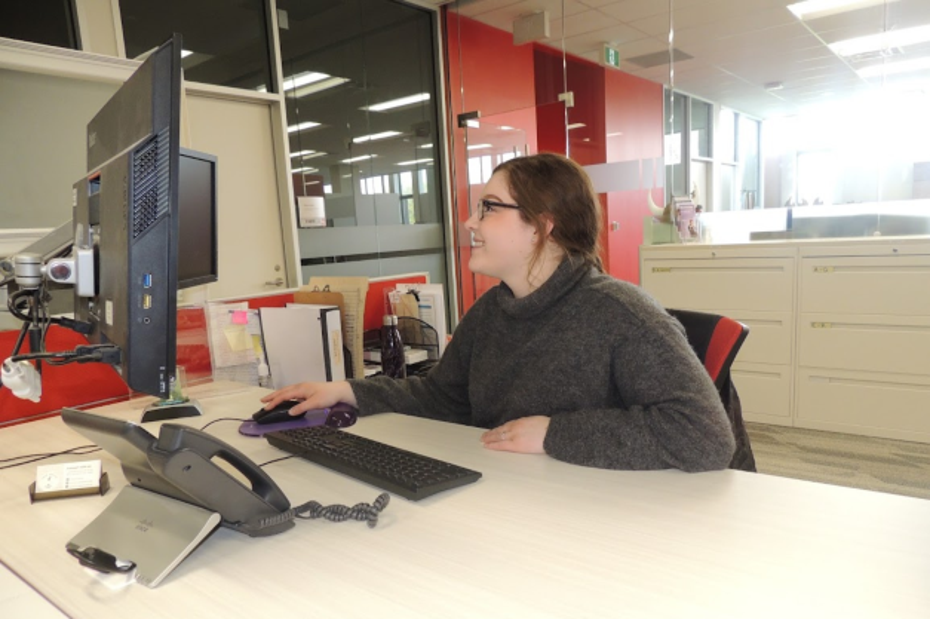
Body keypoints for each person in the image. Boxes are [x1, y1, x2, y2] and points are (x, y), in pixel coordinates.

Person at [262, 153, 736, 472]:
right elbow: (443, 398)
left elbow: (706, 436)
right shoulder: (493, 310)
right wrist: (345, 391)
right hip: (518, 496)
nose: (470, 222)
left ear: (542, 227)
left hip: (605, 522)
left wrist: (555, 434)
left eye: (489, 208)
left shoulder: (621, 315)